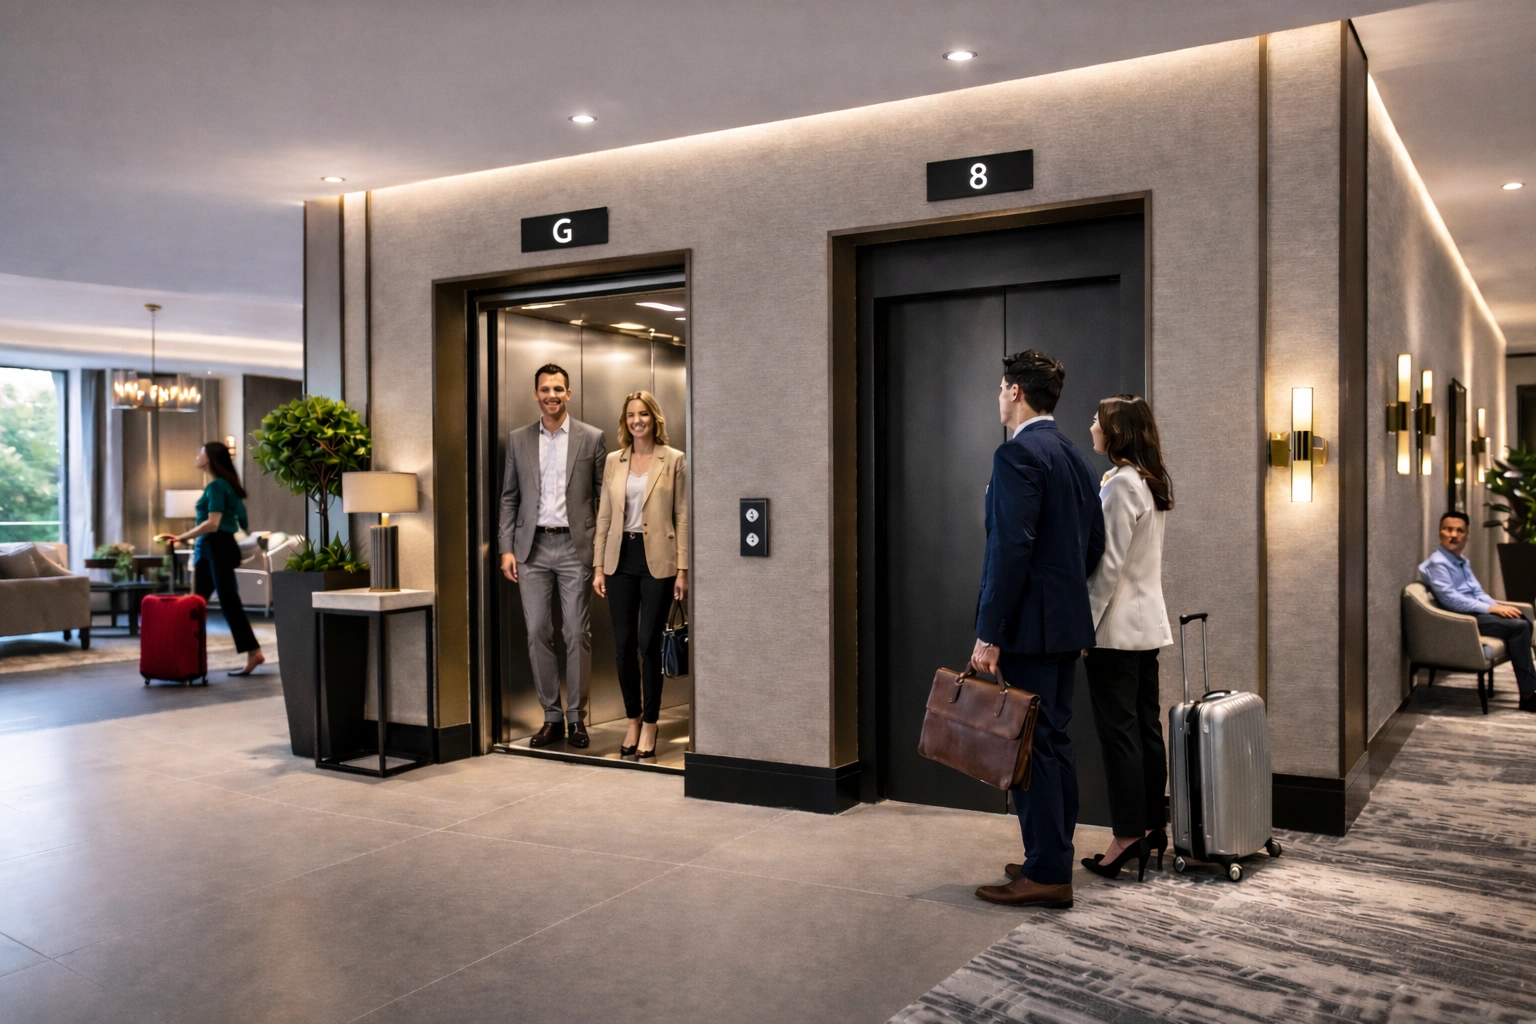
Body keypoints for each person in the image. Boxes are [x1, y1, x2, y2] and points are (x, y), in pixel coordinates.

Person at [971, 349, 1105, 909]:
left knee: (1030, 747)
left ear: (1016, 392)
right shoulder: (1074, 456)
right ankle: (1049, 855)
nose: (999, 399)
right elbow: (1094, 543)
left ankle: (1047, 871)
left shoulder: (1018, 455)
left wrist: (988, 632)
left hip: (1026, 629)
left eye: (1002, 390)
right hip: (1065, 628)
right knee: (1052, 741)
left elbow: (1009, 551)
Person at [1079, 395, 1174, 881]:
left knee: (1120, 735)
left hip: (1114, 630)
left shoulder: (1120, 487)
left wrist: (1084, 626)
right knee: (1144, 728)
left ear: (1116, 432)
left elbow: (1108, 568)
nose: (1091, 424)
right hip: (1146, 627)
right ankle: (1152, 827)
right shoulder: (1150, 484)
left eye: (1098, 419)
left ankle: (1126, 836)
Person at [499, 364, 608, 747]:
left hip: (575, 547)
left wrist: (600, 556)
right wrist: (507, 548)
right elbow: (509, 497)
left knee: (577, 633)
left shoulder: (591, 438)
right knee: (537, 632)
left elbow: (603, 500)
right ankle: (552, 717)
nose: (552, 395)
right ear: (535, 394)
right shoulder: (518, 440)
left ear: (569, 394)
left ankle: (577, 719)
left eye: (558, 389)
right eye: (545, 389)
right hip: (531, 550)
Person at [592, 391, 689, 758]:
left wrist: (683, 569)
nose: (637, 420)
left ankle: (651, 723)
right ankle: (632, 718)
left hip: (659, 562)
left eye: (644, 414)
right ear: (625, 420)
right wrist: (598, 566)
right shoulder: (614, 461)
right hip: (620, 559)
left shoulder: (674, 459)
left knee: (648, 644)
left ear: (654, 418)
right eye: (631, 414)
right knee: (622, 647)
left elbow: (681, 515)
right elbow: (604, 515)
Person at [156, 441, 264, 676]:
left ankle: (252, 651)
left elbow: (213, 524)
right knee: (197, 602)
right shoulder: (226, 485)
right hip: (212, 548)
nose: (197, 456)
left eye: (201, 453)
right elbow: (242, 521)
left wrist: (181, 537)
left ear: (210, 458)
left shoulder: (216, 486)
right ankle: (185, 652)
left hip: (217, 546)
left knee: (225, 601)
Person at [1420, 511, 1536, 713]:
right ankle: (1528, 695)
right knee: (1519, 627)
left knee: (1521, 620)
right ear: (1440, 532)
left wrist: (1498, 607)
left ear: (1467, 535)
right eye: (1448, 529)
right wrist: (1492, 608)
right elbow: (1451, 601)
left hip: (1474, 614)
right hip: (1461, 619)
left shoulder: (1461, 561)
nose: (1453, 535)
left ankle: (1529, 690)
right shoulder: (1439, 563)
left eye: (1459, 530)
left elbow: (1477, 592)